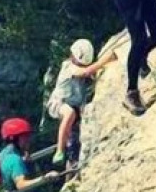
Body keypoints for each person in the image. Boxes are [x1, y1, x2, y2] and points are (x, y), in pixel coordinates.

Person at [47, 38, 118, 166]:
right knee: (69, 114)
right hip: (58, 104)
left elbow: (89, 72)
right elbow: (86, 72)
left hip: (74, 106)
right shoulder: (68, 66)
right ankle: (59, 150)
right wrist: (106, 59)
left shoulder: (79, 68)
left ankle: (71, 162)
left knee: (74, 141)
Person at [0, 117, 63, 192]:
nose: (29, 140)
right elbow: (21, 184)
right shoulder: (15, 160)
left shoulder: (3, 155)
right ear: (14, 138)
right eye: (25, 137)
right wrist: (45, 178)